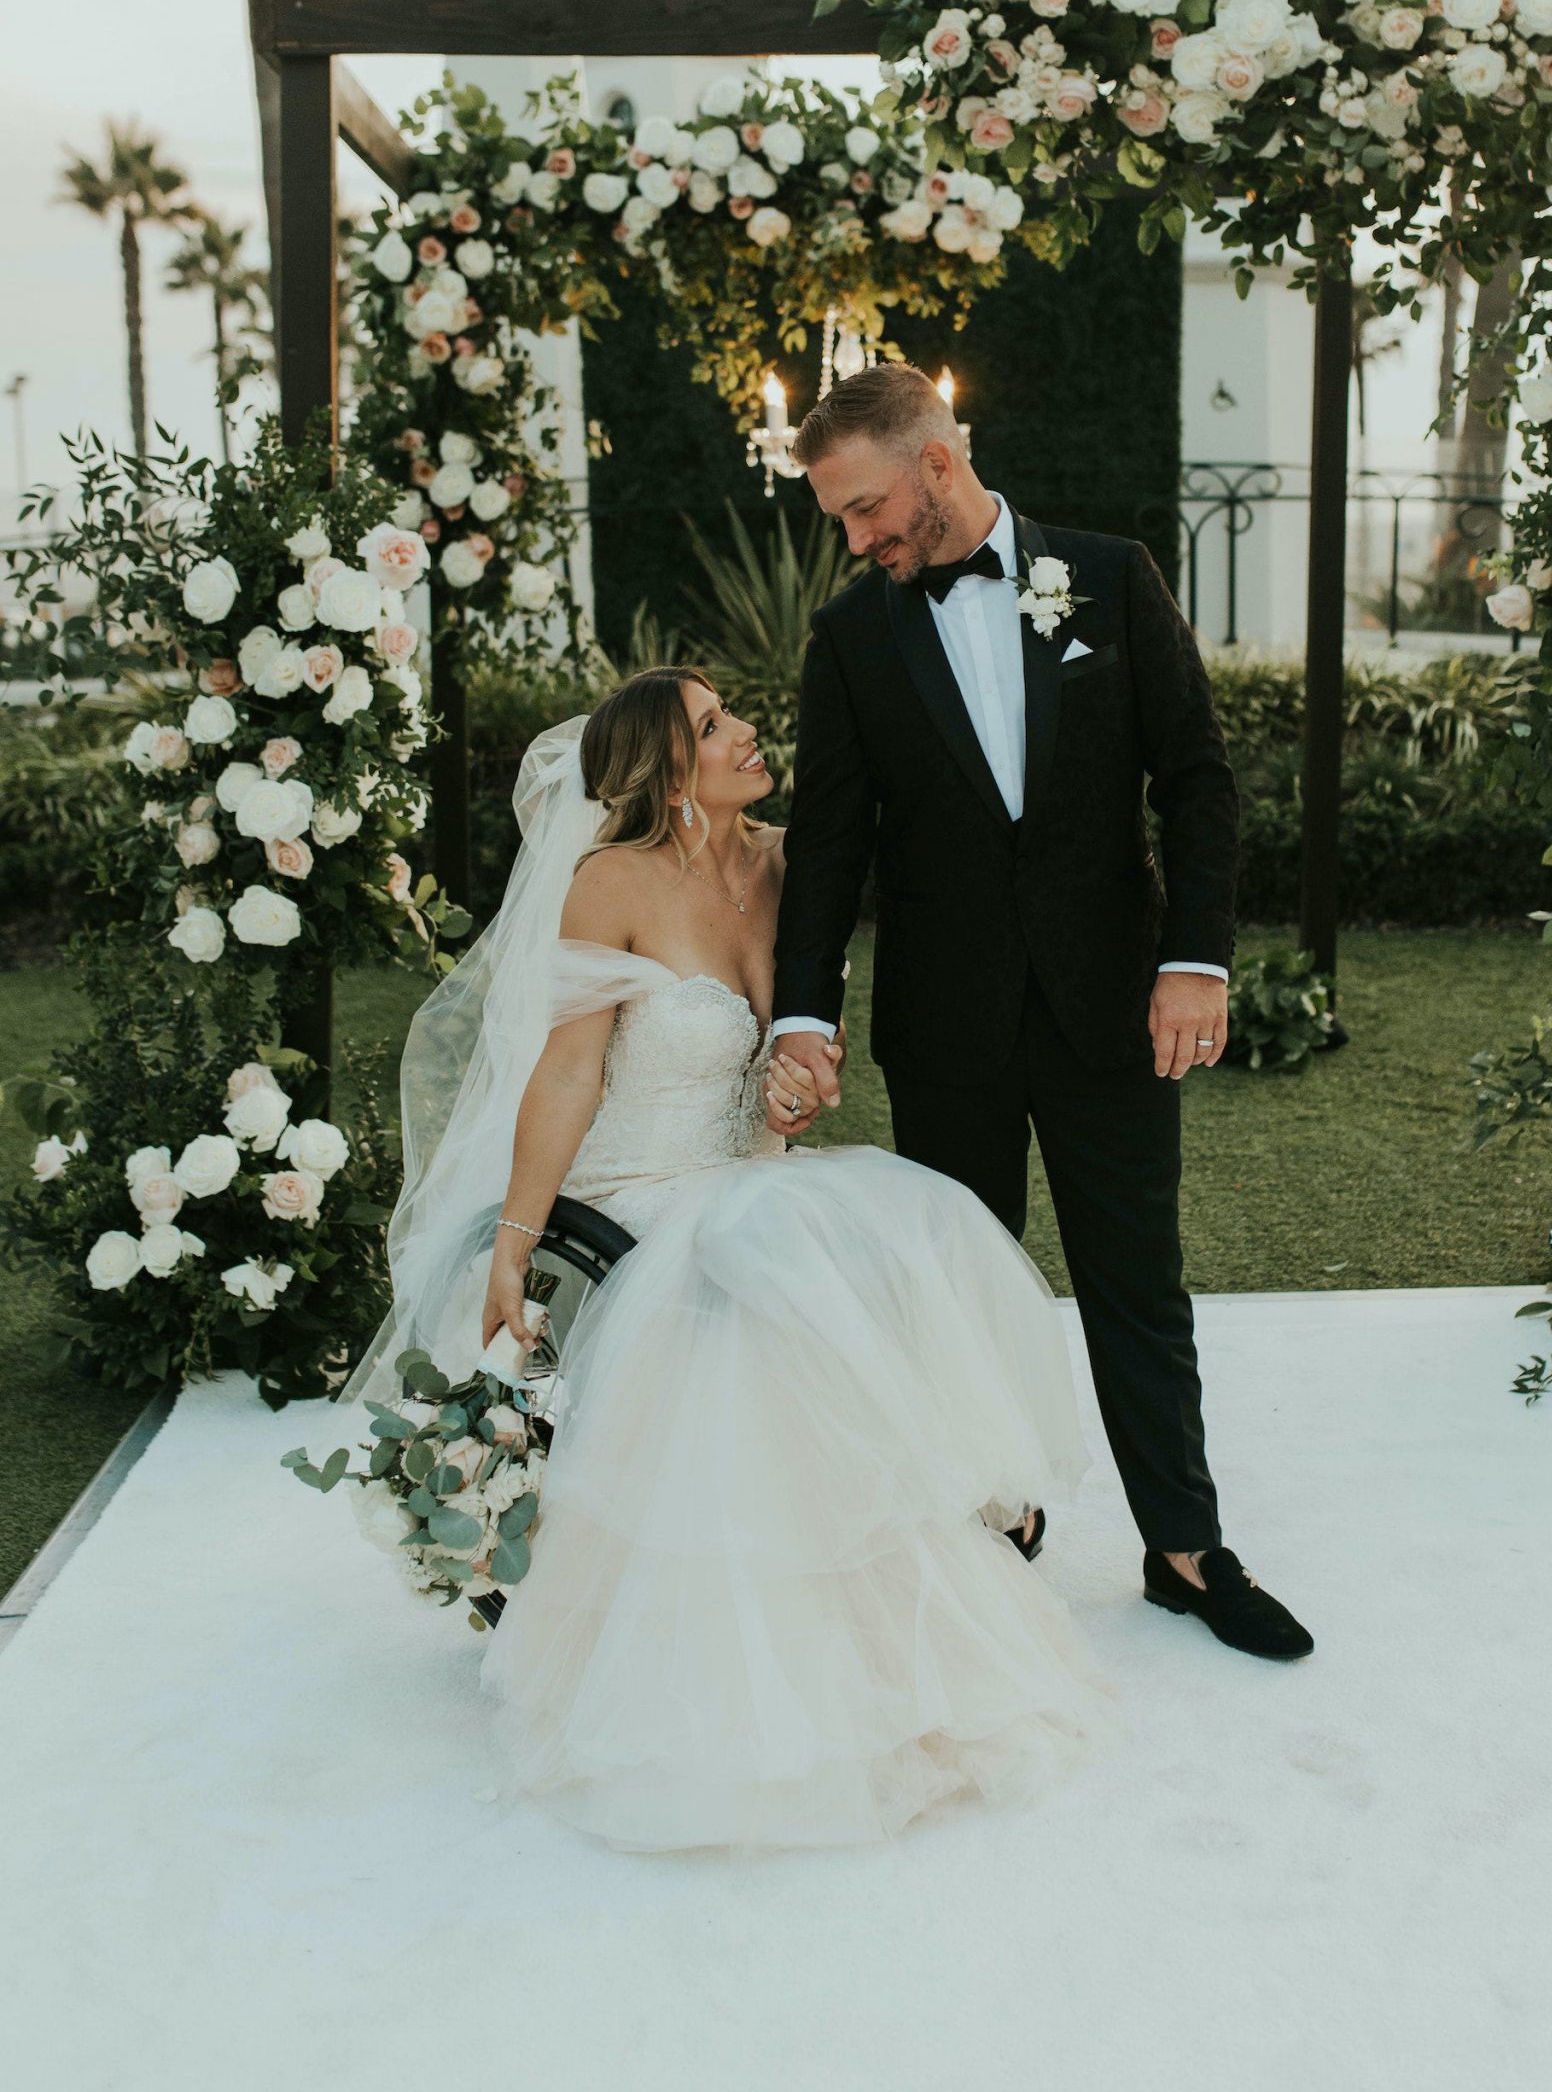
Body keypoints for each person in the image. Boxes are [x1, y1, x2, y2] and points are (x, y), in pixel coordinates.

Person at [361, 669, 1119, 1854]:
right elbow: (565, 1074)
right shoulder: (608, 882)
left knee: (915, 1233)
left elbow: (807, 1039)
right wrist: (514, 1241)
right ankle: (744, 1660)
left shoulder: (784, 861)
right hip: (642, 1189)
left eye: (731, 714)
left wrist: (799, 1083)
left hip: (754, 1178)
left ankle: (884, 1628)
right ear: (669, 772)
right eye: (714, 726)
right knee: (776, 1303)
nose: (747, 730)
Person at [764, 362, 1312, 1664]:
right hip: (944, 1025)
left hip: (1109, 1007)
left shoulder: (1105, 576)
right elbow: (831, 842)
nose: (852, 540)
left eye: (859, 508)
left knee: (1135, 1286)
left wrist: (1194, 960)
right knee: (961, 1290)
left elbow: (1193, 782)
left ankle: (1183, 1551)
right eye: (839, 520)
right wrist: (799, 1013)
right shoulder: (850, 635)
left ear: (935, 466)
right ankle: (992, 1519)